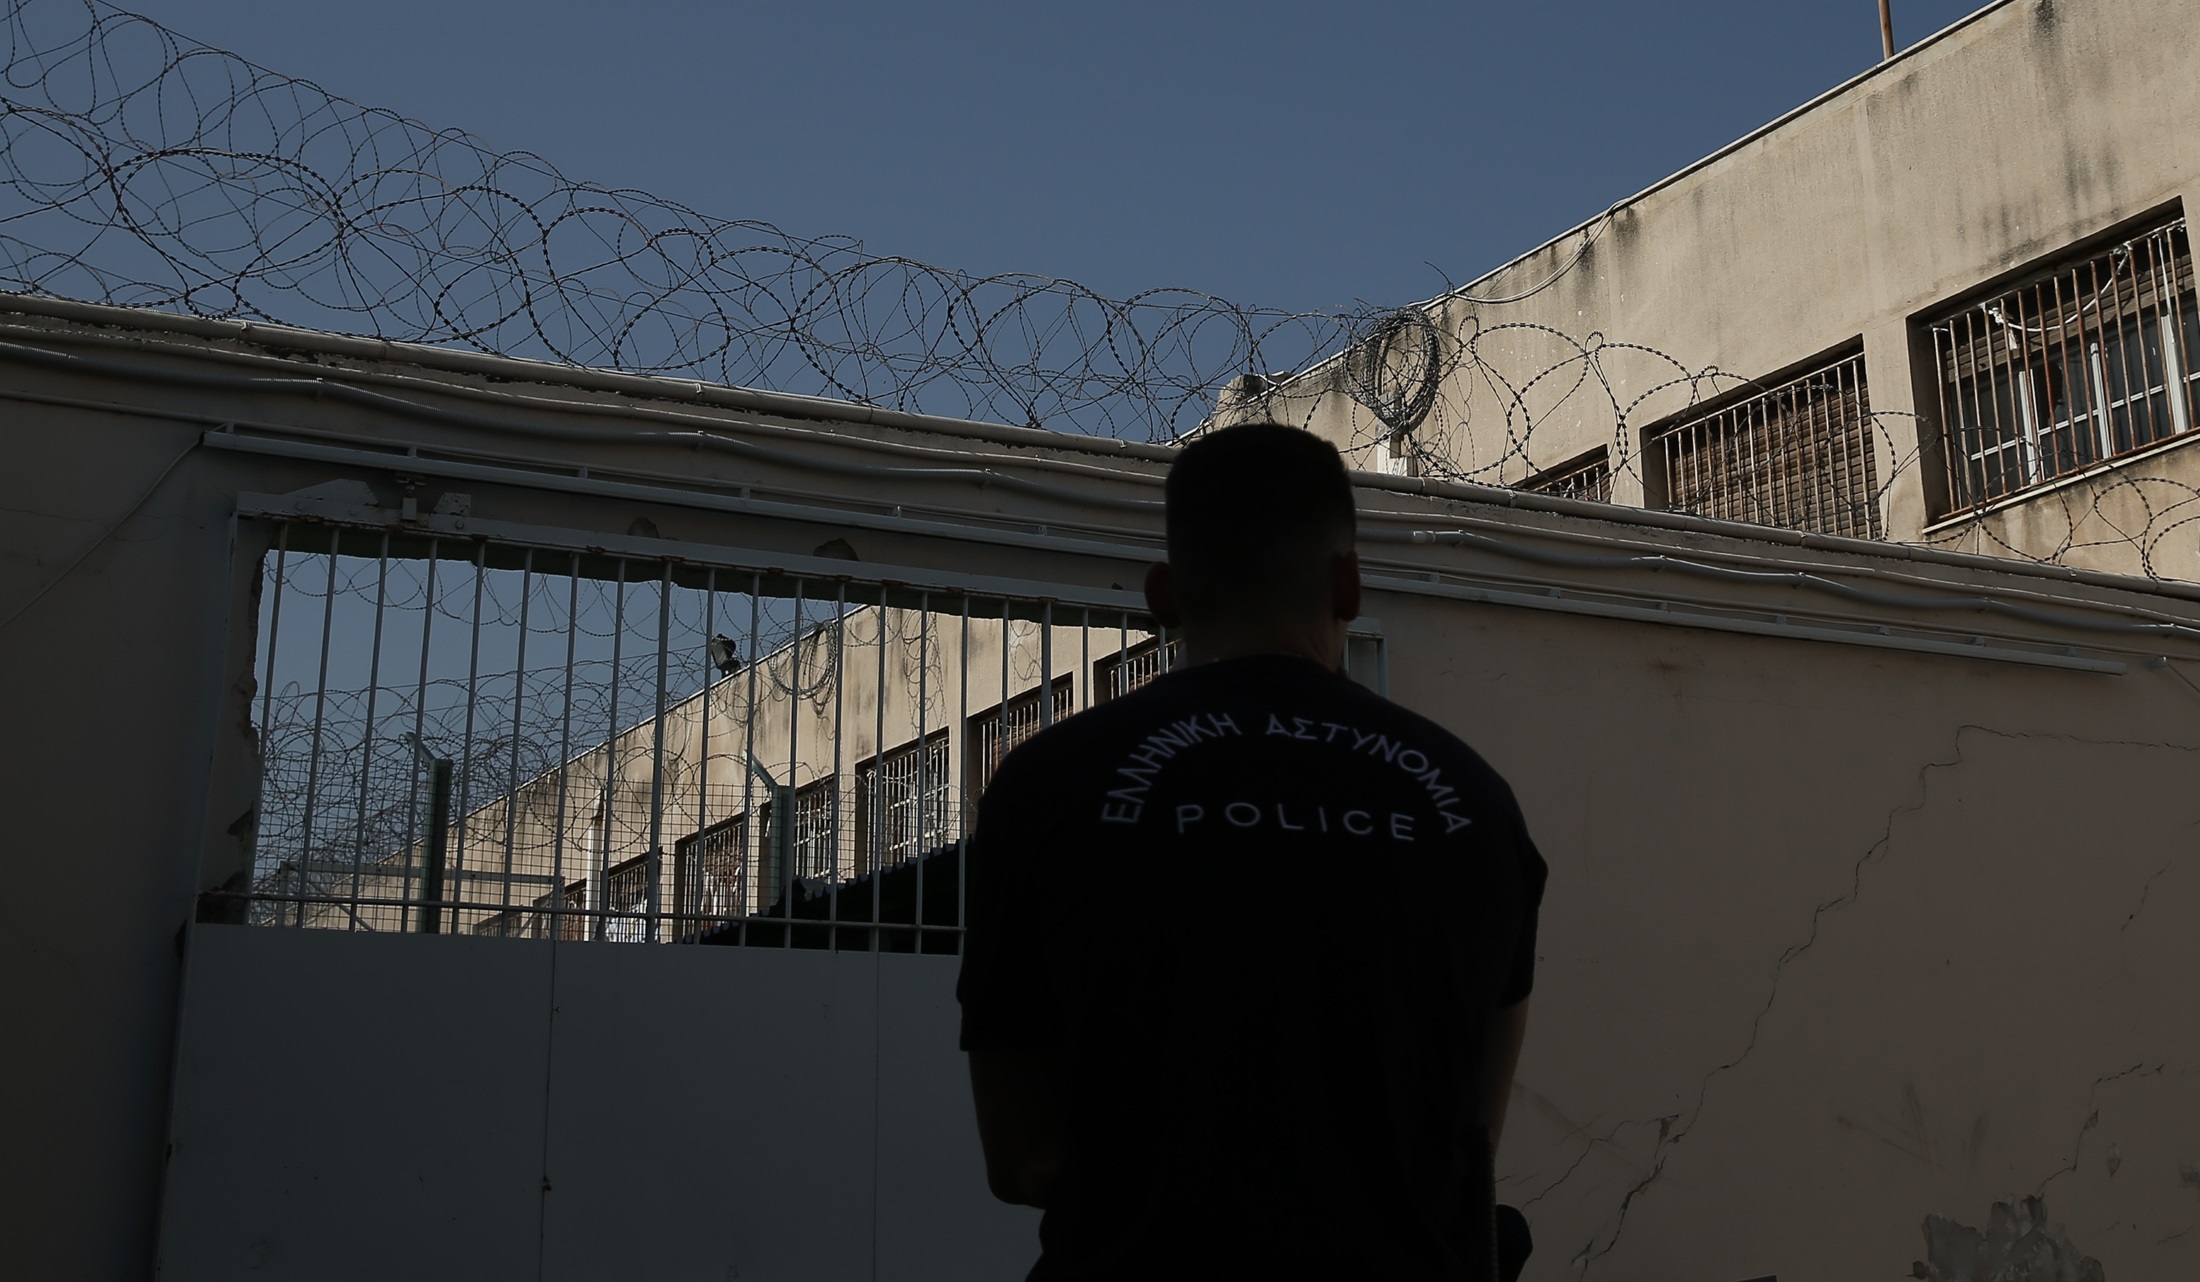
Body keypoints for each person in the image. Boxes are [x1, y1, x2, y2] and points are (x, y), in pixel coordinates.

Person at [956, 423, 1548, 1281]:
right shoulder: (1472, 802)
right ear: (1349, 583)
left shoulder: (1047, 784)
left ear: (1164, 595)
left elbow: (1020, 1159)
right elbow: (1472, 1134)